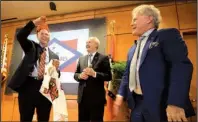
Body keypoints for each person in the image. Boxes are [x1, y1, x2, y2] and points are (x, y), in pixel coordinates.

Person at [113, 5, 195, 122]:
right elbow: (127, 74)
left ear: (149, 19)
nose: (131, 23)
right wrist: (120, 94)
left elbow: (181, 66)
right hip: (137, 106)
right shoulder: (132, 49)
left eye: (135, 19)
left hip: (162, 106)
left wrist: (175, 103)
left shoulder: (166, 35)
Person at [8, 16, 60, 121]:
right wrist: (35, 22)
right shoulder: (31, 46)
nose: (45, 36)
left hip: (45, 89)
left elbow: (56, 76)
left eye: (47, 34)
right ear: (37, 35)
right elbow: (20, 35)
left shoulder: (55, 56)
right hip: (28, 87)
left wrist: (56, 72)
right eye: (42, 34)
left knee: (44, 118)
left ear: (49, 36)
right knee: (25, 118)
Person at [74, 37, 112, 121]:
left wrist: (94, 73)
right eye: (86, 42)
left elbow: (108, 76)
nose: (87, 44)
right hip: (82, 98)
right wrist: (80, 76)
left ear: (96, 45)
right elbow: (75, 74)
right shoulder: (81, 59)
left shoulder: (103, 58)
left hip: (96, 99)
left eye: (90, 42)